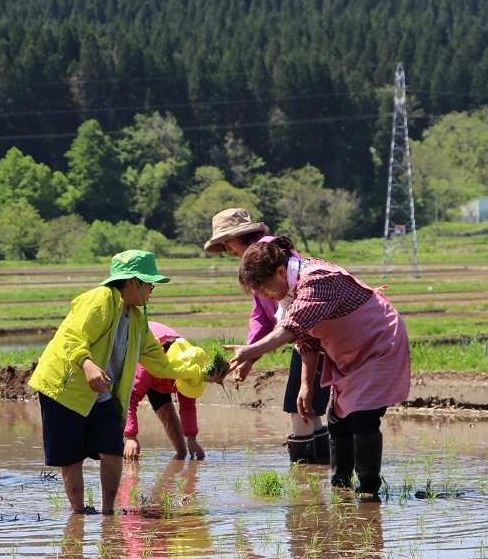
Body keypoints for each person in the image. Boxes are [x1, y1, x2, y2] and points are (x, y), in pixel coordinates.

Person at [28, 250, 219, 515]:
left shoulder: (138, 318)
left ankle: (108, 512)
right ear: (131, 281)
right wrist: (87, 364)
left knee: (112, 449)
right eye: (149, 283)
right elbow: (71, 337)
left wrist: (200, 374)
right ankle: (79, 512)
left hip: (102, 391)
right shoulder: (100, 299)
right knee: (71, 457)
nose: (152, 289)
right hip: (65, 388)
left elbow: (160, 362)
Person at [225, 236, 411, 499]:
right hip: (349, 350)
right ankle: (340, 485)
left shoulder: (317, 279)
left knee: (363, 417)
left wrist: (249, 352)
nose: (266, 297)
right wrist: (306, 385)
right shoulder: (291, 291)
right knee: (338, 419)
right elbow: (307, 339)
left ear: (280, 272)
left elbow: (290, 329)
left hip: (378, 343)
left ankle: (369, 491)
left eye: (265, 289)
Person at [204, 208, 331, 464]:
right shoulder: (257, 259)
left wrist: (250, 353)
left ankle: (303, 480)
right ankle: (321, 473)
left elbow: (284, 309)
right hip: (304, 334)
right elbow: (261, 316)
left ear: (243, 236)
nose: (228, 250)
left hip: (311, 333)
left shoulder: (269, 255)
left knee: (299, 404)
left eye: (227, 243)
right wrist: (249, 356)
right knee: (310, 406)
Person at [124, 321, 208, 461]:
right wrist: (131, 436)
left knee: (168, 415)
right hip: (133, 359)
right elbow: (128, 400)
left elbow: (187, 406)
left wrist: (192, 438)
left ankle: (180, 454)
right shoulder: (147, 366)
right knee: (109, 411)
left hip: (164, 376)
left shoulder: (188, 363)